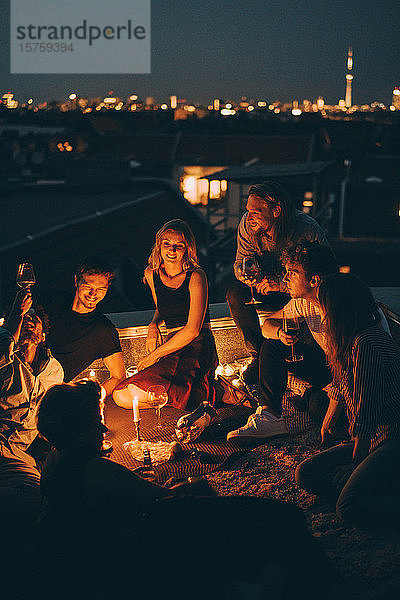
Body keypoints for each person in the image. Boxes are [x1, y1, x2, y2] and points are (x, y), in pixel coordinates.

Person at [36, 380, 342, 600]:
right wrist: (185, 489)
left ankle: (283, 577)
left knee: (256, 521)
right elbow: (157, 494)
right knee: (277, 516)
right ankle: (296, 583)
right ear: (76, 432)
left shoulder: (53, 460)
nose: (103, 431)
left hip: (130, 539)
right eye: (95, 424)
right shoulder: (94, 469)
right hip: (141, 549)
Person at [295, 273, 400, 531]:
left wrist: (354, 463)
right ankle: (377, 483)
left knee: (348, 507)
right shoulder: (351, 342)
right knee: (305, 473)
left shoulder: (367, 343)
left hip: (392, 437)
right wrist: (329, 422)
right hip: (374, 439)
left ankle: (375, 487)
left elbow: (367, 414)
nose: (321, 315)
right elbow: (343, 388)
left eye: (323, 307)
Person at [227, 241, 340, 443]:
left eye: (292, 273)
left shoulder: (338, 310)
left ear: (314, 280)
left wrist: (330, 399)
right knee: (271, 346)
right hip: (328, 364)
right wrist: (280, 333)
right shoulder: (304, 301)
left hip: (354, 377)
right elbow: (267, 325)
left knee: (319, 407)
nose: (285, 279)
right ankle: (270, 417)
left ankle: (308, 396)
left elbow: (352, 371)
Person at [226, 181, 329, 386]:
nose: (249, 216)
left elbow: (324, 275)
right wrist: (249, 277)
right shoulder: (248, 225)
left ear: (276, 210)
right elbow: (240, 263)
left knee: (309, 359)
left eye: (256, 211)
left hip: (296, 292)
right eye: (248, 211)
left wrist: (280, 284)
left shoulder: (307, 230)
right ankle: (259, 353)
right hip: (263, 286)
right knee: (234, 293)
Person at [113, 219, 218, 411]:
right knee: (120, 396)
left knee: (137, 391)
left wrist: (154, 356)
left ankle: (201, 395)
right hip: (171, 344)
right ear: (159, 246)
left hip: (196, 345)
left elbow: (193, 330)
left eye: (178, 245)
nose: (172, 250)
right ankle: (193, 397)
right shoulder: (151, 274)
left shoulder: (196, 276)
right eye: (167, 244)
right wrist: (153, 324)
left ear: (187, 248)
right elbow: (164, 307)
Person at [0, 288, 63, 518]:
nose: (27, 321)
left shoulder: (54, 371)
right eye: (22, 318)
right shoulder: (4, 362)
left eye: (32, 318)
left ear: (43, 334)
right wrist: (15, 315)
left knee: (37, 498)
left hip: (16, 456)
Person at [41, 256, 125, 396]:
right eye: (88, 287)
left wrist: (93, 397)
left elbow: (119, 376)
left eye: (100, 289)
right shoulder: (52, 300)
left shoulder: (103, 330)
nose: (93, 294)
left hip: (49, 393)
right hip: (19, 374)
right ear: (76, 281)